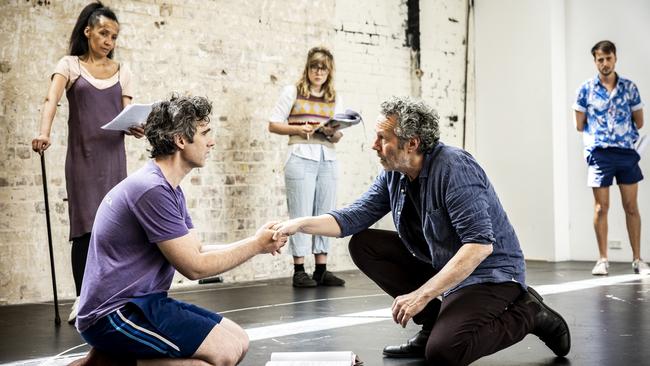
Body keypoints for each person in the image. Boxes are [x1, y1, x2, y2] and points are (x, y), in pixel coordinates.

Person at [274, 96, 571, 365]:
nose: (374, 145)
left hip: (488, 274)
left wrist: (421, 295)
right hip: (444, 263)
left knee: (444, 352)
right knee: (364, 244)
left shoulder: (454, 168)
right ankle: (431, 326)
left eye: (382, 138)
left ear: (412, 143)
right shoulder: (395, 174)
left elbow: (479, 246)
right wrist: (299, 224)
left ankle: (530, 314)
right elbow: (353, 217)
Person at [70, 95, 287, 365]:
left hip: (145, 303)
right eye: (205, 133)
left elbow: (195, 250)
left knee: (238, 340)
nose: (212, 141)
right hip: (114, 312)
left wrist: (258, 242)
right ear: (181, 140)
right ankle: (108, 362)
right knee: (223, 354)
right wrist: (256, 245)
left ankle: (104, 360)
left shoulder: (168, 187)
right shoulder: (152, 189)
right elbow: (194, 267)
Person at [31, 1, 145, 324]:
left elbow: (127, 115)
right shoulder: (69, 65)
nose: (109, 41)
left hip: (113, 158)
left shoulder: (124, 71)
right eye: (104, 33)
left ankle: (114, 294)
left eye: (114, 36)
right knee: (85, 230)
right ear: (88, 31)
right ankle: (83, 299)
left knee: (115, 228)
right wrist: (43, 133)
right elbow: (50, 99)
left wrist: (137, 127)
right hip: (82, 159)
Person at [268, 46, 346, 288]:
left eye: (323, 68)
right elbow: (273, 124)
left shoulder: (334, 97)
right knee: (301, 213)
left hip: (327, 157)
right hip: (300, 155)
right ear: (308, 68)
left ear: (329, 71)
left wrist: (333, 132)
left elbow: (338, 137)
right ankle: (299, 269)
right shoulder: (293, 91)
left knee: (325, 212)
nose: (318, 72)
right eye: (315, 67)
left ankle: (321, 268)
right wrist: (298, 129)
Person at [573, 40, 649, 276]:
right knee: (601, 207)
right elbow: (579, 124)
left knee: (631, 207)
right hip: (600, 154)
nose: (604, 63)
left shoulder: (629, 87)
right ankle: (603, 259)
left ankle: (637, 260)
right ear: (595, 61)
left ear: (615, 58)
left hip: (626, 153)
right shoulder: (585, 89)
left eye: (608, 58)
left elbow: (640, 121)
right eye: (600, 59)